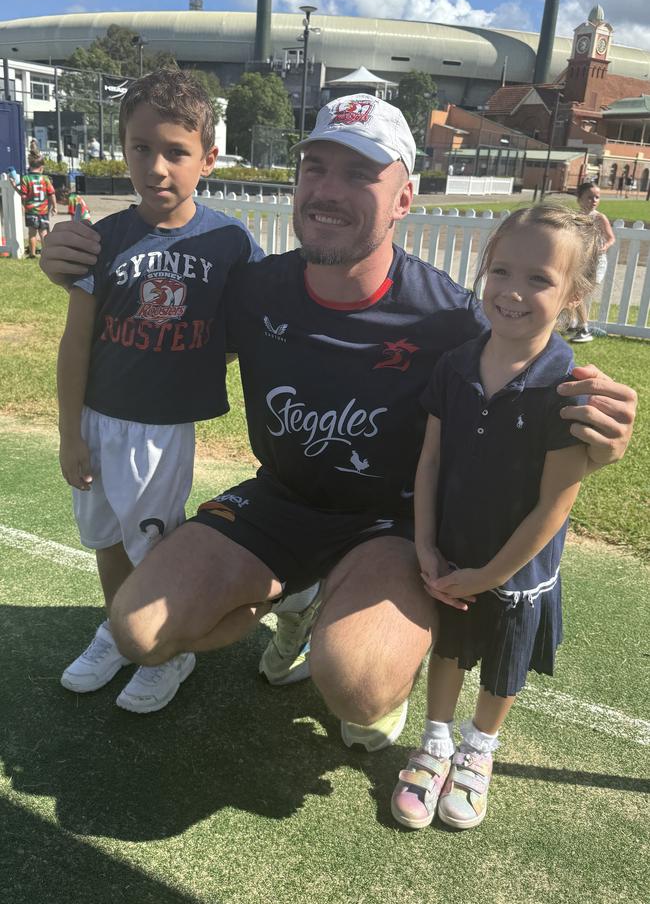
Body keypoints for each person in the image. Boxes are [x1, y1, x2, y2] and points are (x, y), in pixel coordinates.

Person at [41, 94, 637, 754]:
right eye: (315, 168)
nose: (326, 191)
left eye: (359, 175)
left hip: (393, 525)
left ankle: (356, 634)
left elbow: (530, 388)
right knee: (137, 631)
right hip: (280, 501)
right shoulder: (254, 287)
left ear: (404, 199)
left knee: (356, 684)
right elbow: (145, 320)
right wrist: (75, 263)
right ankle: (297, 600)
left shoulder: (452, 319)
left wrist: (593, 430)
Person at [56, 68, 262, 713]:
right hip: (96, 418)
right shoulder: (103, 239)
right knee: (107, 539)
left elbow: (247, 330)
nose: (157, 166)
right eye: (141, 147)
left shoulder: (230, 242)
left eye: (176, 151)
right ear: (123, 146)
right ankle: (120, 631)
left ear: (209, 157)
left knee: (152, 541)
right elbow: (77, 342)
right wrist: (69, 433)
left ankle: (167, 650)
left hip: (160, 425)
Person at [391, 204, 600, 832]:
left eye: (539, 279)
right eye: (501, 270)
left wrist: (491, 575)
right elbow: (428, 461)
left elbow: (555, 503)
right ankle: (435, 745)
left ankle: (479, 751)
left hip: (516, 569)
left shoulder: (567, 386)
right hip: (452, 552)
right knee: (449, 650)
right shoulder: (455, 365)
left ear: (573, 295)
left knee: (504, 665)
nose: (512, 291)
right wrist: (426, 546)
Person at [571, 182, 616, 343]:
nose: (594, 200)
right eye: (590, 197)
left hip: (596, 263)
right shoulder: (574, 218)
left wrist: (604, 246)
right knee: (573, 292)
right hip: (580, 262)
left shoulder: (599, 217)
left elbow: (611, 238)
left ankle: (584, 329)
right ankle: (578, 325)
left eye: (597, 197)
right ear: (580, 199)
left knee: (577, 294)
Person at [20, 154, 56, 257]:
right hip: (43, 210)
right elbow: (51, 194)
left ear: (29, 166)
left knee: (32, 233)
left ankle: (32, 253)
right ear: (41, 167)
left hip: (31, 211)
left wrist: (23, 204)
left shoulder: (26, 178)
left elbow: (24, 196)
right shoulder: (45, 179)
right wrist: (54, 206)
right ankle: (46, 253)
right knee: (44, 232)